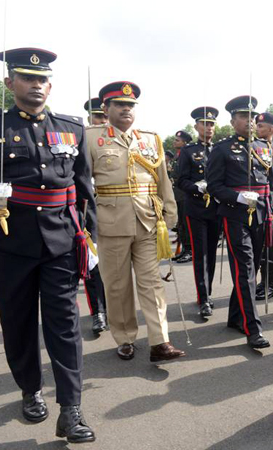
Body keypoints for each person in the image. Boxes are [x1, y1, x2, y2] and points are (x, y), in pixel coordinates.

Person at [0, 47, 96, 442]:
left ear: (50, 84)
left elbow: (83, 189)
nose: (35, 85)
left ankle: (72, 408)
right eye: (27, 78)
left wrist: (88, 236)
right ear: (9, 82)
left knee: (65, 325)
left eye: (42, 79)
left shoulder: (72, 126)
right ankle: (30, 389)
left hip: (61, 241)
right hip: (10, 241)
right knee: (17, 324)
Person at [88, 81, 185, 363]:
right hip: (110, 221)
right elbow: (82, 183)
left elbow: (162, 180)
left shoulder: (150, 138)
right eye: (119, 105)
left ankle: (160, 341)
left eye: (130, 105)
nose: (126, 109)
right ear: (106, 109)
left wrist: (170, 213)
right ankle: (125, 338)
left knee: (152, 282)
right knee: (117, 286)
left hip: (147, 220)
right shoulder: (91, 138)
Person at [207, 95, 273, 349]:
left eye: (251, 116)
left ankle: (236, 318)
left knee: (253, 266)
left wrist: (271, 210)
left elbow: (267, 181)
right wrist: (237, 196)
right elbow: (214, 187)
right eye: (243, 117)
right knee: (245, 268)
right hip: (235, 214)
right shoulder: (222, 148)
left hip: (260, 212)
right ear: (233, 120)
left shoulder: (263, 146)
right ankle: (253, 329)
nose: (249, 121)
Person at [177, 107, 221, 319]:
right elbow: (180, 180)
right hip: (197, 208)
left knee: (211, 253)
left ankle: (208, 292)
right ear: (196, 126)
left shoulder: (220, 149)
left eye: (212, 124)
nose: (209, 128)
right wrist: (197, 187)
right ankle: (203, 298)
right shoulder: (188, 151)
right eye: (205, 123)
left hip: (217, 208)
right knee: (201, 254)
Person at [81, 97, 109, 335]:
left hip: (118, 211)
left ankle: (118, 309)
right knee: (93, 265)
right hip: (90, 211)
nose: (102, 120)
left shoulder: (121, 139)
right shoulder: (80, 137)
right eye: (98, 116)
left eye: (104, 116)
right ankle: (98, 311)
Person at [254, 112, 273, 302]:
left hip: (271, 204)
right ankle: (262, 282)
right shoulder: (255, 147)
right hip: (259, 203)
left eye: (261, 126)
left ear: (271, 129)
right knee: (260, 247)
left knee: (270, 248)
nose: (257, 128)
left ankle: (269, 283)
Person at [172, 130, 194, 263]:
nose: (175, 142)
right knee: (181, 224)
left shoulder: (187, 155)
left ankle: (190, 250)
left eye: (177, 140)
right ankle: (186, 249)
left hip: (185, 194)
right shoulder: (177, 155)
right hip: (178, 195)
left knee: (186, 225)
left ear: (185, 142)